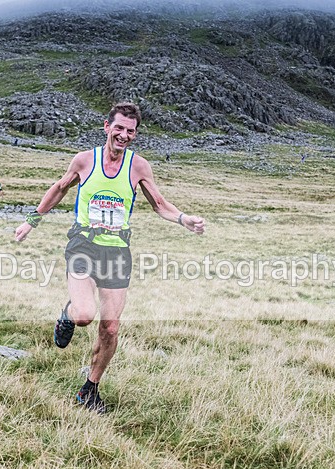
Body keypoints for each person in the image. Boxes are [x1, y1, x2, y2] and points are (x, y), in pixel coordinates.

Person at [14, 102, 206, 414]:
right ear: (107, 127)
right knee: (84, 315)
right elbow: (60, 188)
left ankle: (89, 389)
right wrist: (31, 221)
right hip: (83, 247)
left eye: (131, 131)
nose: (124, 135)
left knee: (112, 328)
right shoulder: (84, 160)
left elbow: (158, 203)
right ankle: (68, 312)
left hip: (117, 252)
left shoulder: (138, 166)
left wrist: (184, 219)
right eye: (119, 128)